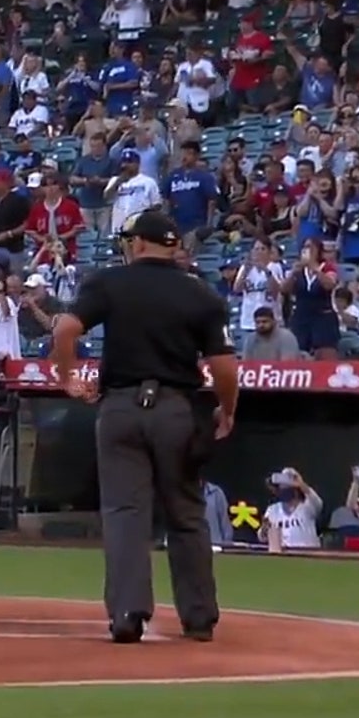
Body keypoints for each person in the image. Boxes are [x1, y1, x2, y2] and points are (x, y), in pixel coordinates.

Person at [49, 208, 236, 644]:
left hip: (120, 408)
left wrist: (67, 377)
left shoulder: (111, 282)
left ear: (137, 243)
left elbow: (65, 330)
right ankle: (199, 617)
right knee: (186, 514)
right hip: (177, 408)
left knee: (124, 513)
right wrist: (227, 409)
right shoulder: (200, 294)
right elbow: (224, 367)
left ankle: (129, 613)